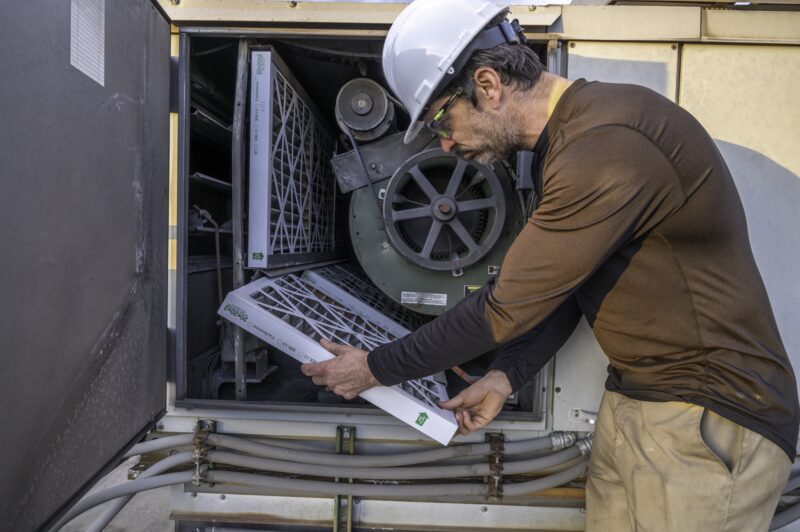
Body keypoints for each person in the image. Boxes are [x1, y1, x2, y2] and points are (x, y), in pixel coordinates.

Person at [301, 0, 799, 529]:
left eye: (442, 119)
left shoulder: (605, 144)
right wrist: (504, 376)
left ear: (488, 84)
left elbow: (502, 311)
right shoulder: (566, 146)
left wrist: (372, 369)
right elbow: (562, 291)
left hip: (708, 417)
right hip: (639, 400)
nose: (444, 142)